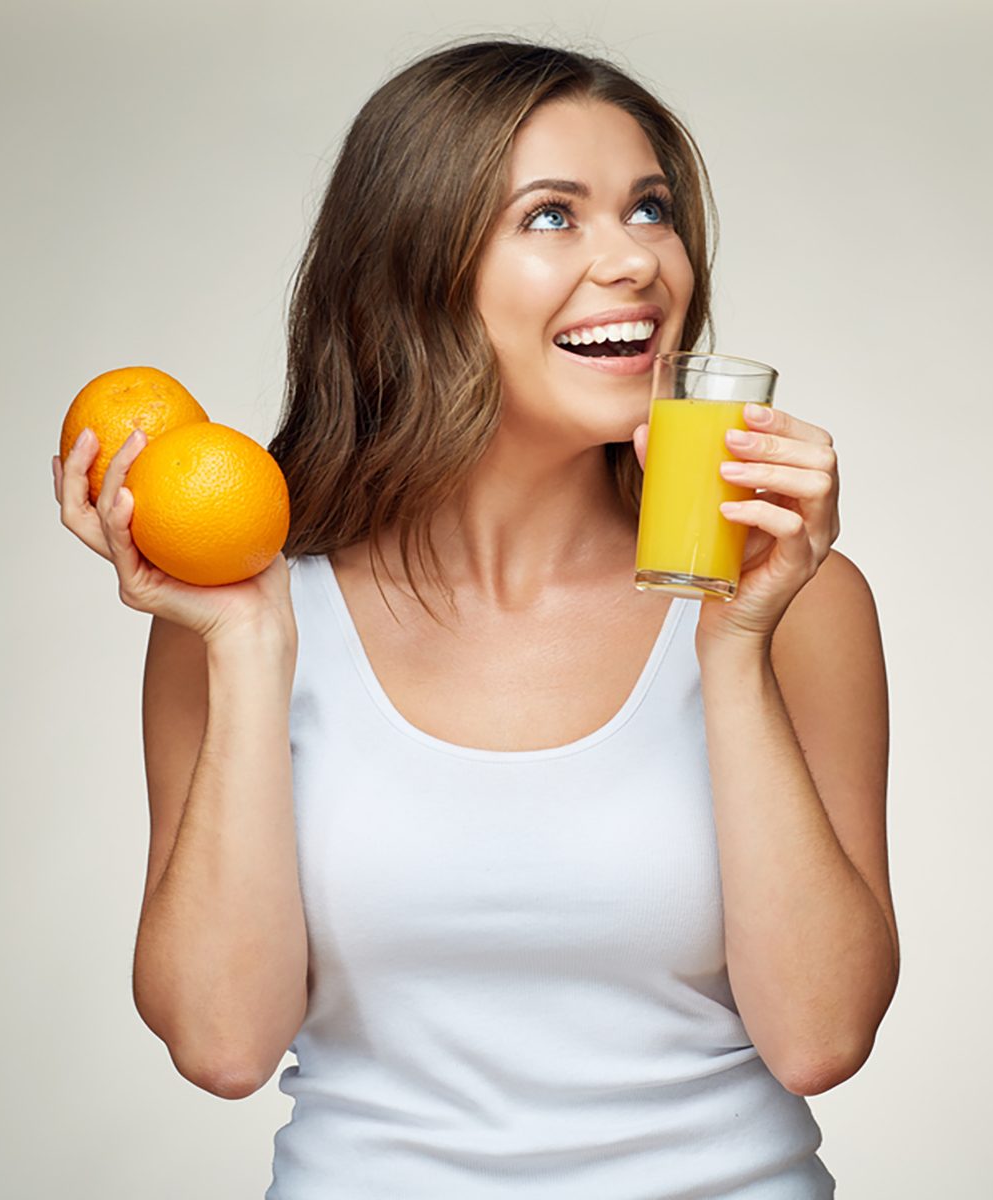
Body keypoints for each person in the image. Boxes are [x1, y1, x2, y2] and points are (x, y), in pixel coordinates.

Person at [53, 38, 896, 1199]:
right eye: (554, 217)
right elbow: (221, 1045)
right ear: (414, 271)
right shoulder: (240, 612)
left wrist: (737, 647)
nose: (637, 262)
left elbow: (822, 1038)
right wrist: (250, 650)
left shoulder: (795, 601)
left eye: (651, 210)